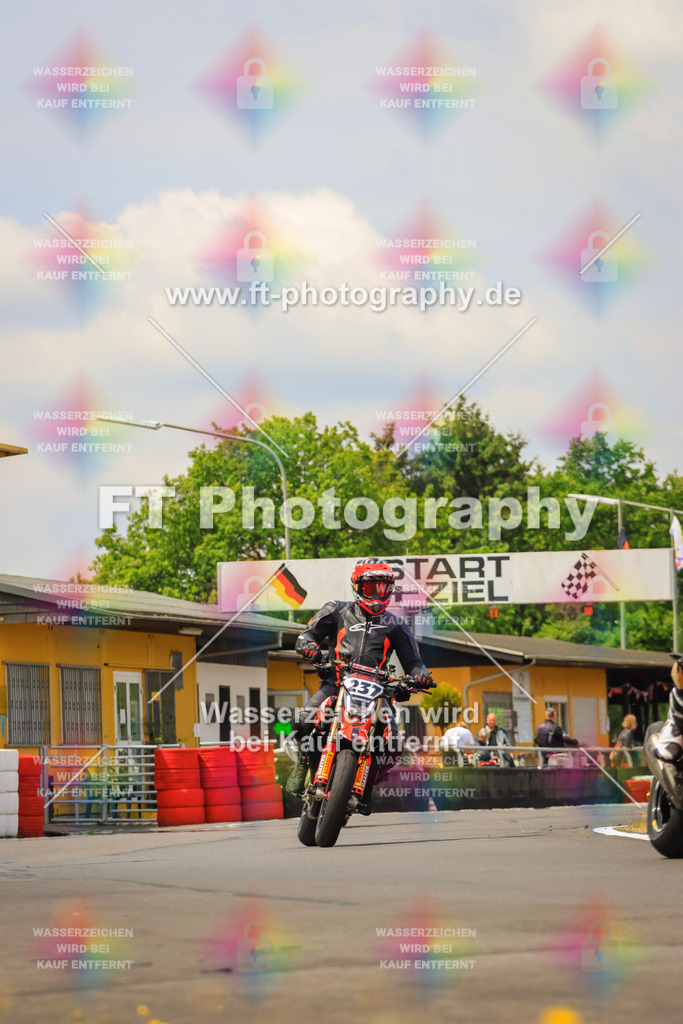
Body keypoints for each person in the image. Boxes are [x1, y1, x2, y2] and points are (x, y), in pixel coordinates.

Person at [287, 558, 434, 812]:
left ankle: (365, 784)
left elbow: (414, 663)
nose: (378, 594)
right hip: (337, 682)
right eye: (371, 588)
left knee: (393, 743)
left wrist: (419, 676)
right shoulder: (336, 609)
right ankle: (303, 760)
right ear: (357, 586)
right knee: (304, 718)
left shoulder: (397, 625)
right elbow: (306, 635)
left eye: (384, 588)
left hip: (378, 691)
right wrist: (310, 647)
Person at [655, 655, 683, 762]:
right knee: (672, 753)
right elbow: (680, 714)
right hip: (676, 734)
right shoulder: (677, 693)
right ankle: (666, 741)